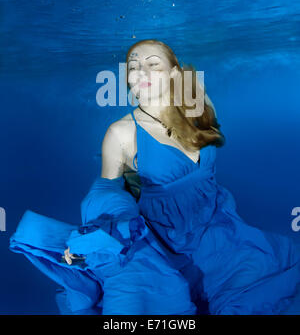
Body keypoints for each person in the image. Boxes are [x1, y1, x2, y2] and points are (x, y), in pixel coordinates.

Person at [9, 39, 300, 315]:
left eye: (153, 64)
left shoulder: (197, 109)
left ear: (174, 74)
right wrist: (98, 231)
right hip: (168, 241)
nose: (140, 72)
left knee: (268, 286)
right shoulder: (120, 132)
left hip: (221, 229)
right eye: (134, 66)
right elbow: (106, 190)